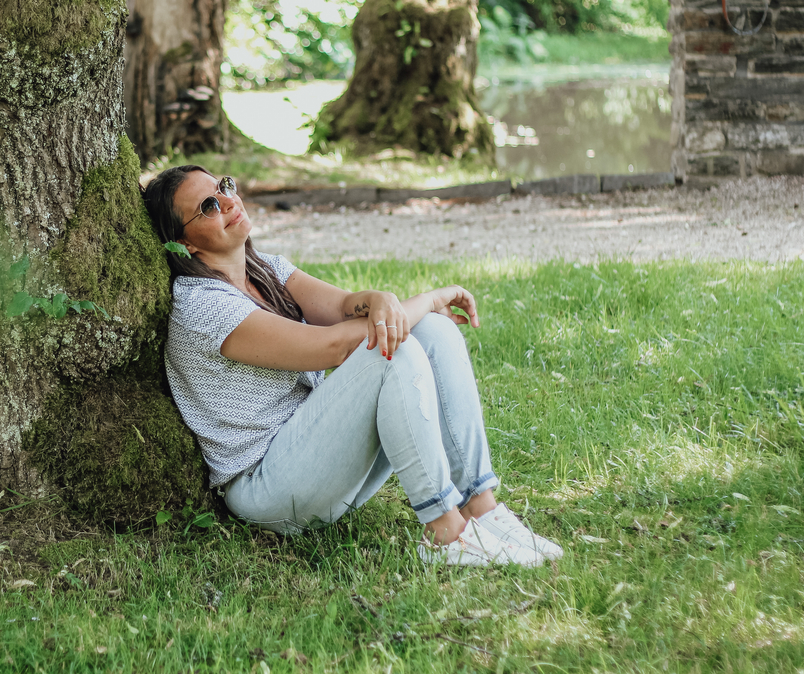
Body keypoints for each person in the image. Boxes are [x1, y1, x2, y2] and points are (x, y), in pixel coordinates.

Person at [143, 166, 563, 567]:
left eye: (224, 186)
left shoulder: (265, 268)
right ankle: (446, 535)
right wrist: (429, 299)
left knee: (432, 331)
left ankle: (481, 508)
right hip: (267, 488)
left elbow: (344, 307)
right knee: (391, 350)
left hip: (323, 462)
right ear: (186, 244)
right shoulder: (200, 306)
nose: (227, 201)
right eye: (208, 207)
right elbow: (336, 346)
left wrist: (378, 299)